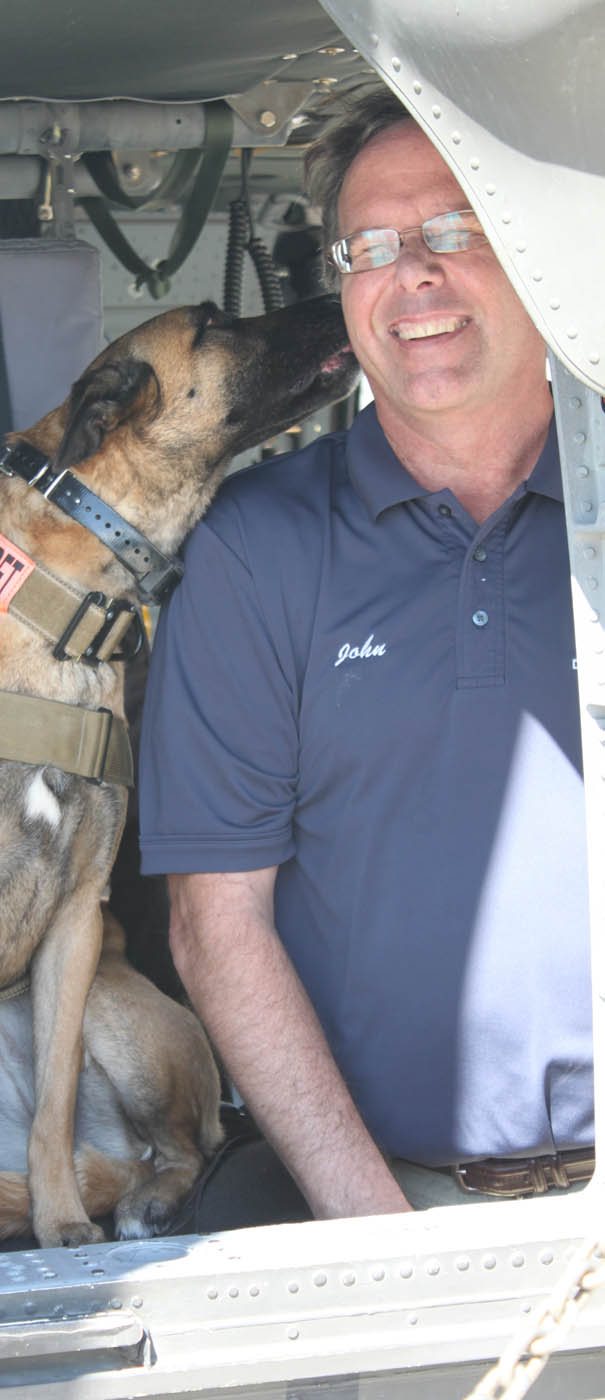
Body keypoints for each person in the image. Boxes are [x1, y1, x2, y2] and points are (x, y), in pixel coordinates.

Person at [138, 87, 594, 1222]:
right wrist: (378, 1237)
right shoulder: (258, 549)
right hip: (386, 1204)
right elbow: (217, 920)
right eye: (372, 247)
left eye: (455, 231)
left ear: (538, 255)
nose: (415, 276)